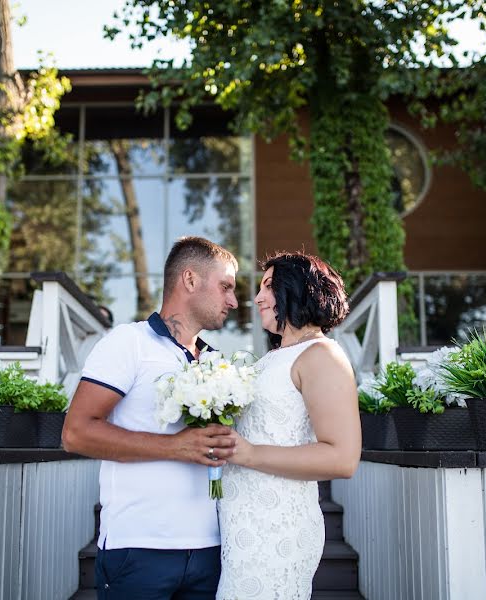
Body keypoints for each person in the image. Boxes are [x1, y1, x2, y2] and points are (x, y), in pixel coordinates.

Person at [62, 236, 240, 599]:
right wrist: (176, 446)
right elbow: (75, 433)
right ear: (189, 280)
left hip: (211, 550)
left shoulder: (217, 361)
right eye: (225, 287)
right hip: (138, 548)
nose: (233, 301)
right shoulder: (128, 342)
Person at [214, 251, 362, 600]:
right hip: (244, 523)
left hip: (276, 525)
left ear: (298, 289)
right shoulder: (274, 358)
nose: (257, 297)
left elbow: (342, 458)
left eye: (269, 286)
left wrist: (248, 453)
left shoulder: (322, 355)